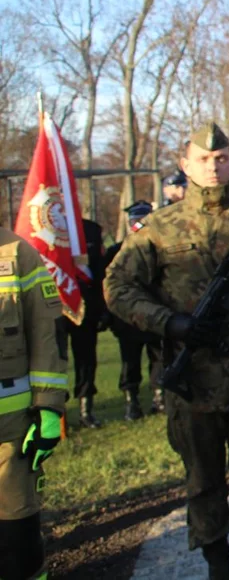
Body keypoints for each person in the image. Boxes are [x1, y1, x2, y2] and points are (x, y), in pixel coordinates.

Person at [104, 123, 229, 580]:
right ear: (185, 163)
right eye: (203, 159)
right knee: (203, 483)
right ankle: (218, 567)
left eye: (222, 158)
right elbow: (117, 286)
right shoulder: (158, 229)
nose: (213, 167)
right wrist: (169, 322)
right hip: (193, 382)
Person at [0, 226, 66, 580]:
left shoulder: (16, 254)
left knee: (16, 538)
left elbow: (47, 335)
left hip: (11, 431)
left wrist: (50, 409)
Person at [104, 201, 166, 420]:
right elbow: (111, 286)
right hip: (128, 318)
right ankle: (132, 401)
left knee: (158, 357)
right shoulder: (116, 250)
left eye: (142, 219)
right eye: (134, 220)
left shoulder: (160, 248)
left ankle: (159, 398)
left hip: (156, 312)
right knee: (129, 361)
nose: (138, 224)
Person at [54, 217, 107, 428]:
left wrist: (103, 308)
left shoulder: (90, 230)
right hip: (53, 307)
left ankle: (86, 410)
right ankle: (57, 416)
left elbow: (100, 271)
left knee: (86, 359)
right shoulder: (43, 228)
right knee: (54, 362)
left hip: (85, 305)